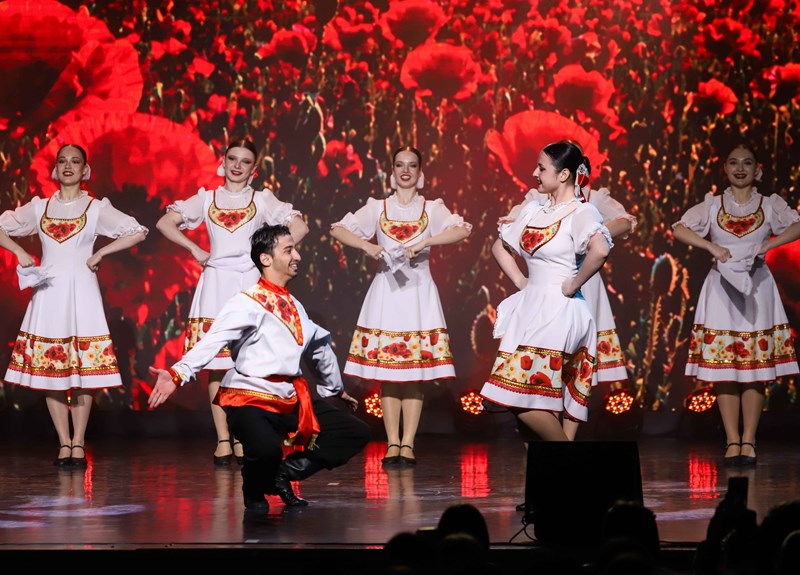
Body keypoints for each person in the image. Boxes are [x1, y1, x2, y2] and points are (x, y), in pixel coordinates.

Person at [148, 224, 370, 515]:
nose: (297, 256)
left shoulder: (295, 306)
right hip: (249, 399)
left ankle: (283, 474)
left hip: (289, 396)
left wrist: (334, 389)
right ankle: (254, 491)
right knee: (266, 450)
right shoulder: (246, 302)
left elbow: (319, 348)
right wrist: (177, 373)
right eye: (288, 250)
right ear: (266, 258)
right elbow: (214, 340)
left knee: (354, 431)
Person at [156, 138, 309, 466]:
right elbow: (164, 223)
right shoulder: (206, 198)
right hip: (215, 283)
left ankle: (242, 436)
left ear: (254, 169)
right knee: (216, 365)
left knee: (247, 365)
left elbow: (299, 226)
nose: (237, 165)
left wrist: (270, 255)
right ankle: (223, 439)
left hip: (250, 283)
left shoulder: (261, 199)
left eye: (245, 161)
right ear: (223, 162)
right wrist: (194, 249)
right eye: (232, 159)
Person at [0, 143, 148, 467]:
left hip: (82, 293)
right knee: (51, 373)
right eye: (63, 161)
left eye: (75, 161)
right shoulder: (39, 208)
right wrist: (19, 251)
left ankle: (78, 442)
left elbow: (137, 232)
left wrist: (101, 252)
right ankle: (63, 442)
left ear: (86, 170)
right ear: (55, 169)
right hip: (49, 293)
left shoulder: (95, 208)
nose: (68, 166)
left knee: (83, 373)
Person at [330, 145, 471, 466]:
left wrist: (426, 241)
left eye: (412, 165)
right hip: (387, 294)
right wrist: (367, 246)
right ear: (392, 172)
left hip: (418, 294)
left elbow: (461, 230)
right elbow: (337, 229)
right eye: (399, 165)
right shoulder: (377, 207)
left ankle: (408, 443)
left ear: (420, 174)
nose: (405, 170)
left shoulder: (432, 209)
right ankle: (392, 442)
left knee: (413, 374)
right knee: (389, 374)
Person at [672, 141, 800, 466]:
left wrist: (768, 245)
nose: (740, 168)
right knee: (725, 369)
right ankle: (732, 439)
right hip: (721, 289)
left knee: (755, 369)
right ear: (725, 169)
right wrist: (711, 248)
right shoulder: (713, 205)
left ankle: (749, 439)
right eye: (733, 162)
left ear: (758, 170)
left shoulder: (769, 205)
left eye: (747, 163)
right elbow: (680, 229)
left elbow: (797, 225)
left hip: (757, 287)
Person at [479, 140, 612, 441]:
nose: (534, 173)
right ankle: (549, 470)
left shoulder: (582, 212)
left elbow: (601, 249)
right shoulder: (533, 211)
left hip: (559, 311)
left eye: (541, 168)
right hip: (533, 307)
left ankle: (569, 462)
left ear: (563, 174)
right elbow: (499, 246)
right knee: (533, 400)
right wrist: (522, 282)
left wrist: (573, 284)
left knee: (516, 394)